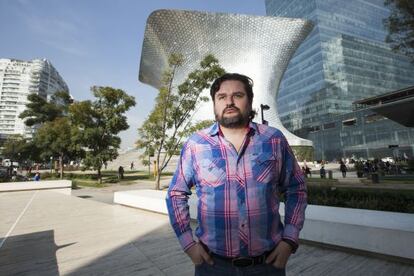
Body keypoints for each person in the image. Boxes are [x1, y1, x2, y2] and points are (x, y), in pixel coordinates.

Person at [166, 73, 307, 276]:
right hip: (213, 266)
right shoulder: (196, 144)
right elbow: (175, 193)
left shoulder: (273, 140)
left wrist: (289, 240)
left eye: (238, 95)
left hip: (267, 265)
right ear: (214, 104)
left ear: (249, 102)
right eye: (222, 97)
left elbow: (297, 188)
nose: (229, 102)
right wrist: (188, 244)